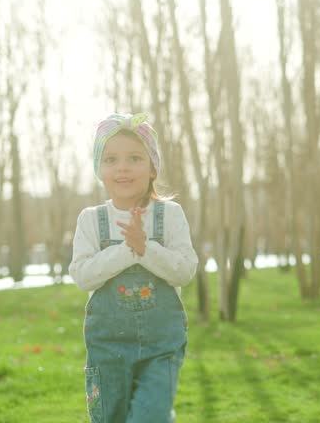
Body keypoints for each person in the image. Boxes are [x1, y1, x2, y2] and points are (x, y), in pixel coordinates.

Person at [69, 113, 198, 422]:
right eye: (111, 159)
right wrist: (129, 250)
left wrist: (146, 248)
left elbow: (184, 270)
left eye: (135, 158)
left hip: (161, 347)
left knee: (150, 415)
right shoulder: (91, 220)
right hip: (107, 348)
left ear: (153, 167)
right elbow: (83, 276)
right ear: (100, 169)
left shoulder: (169, 216)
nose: (122, 167)